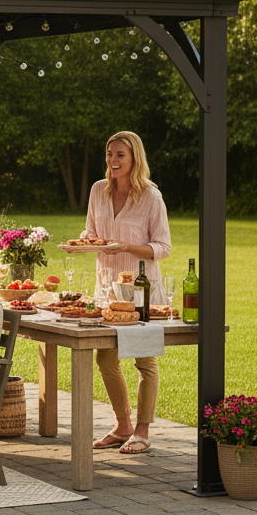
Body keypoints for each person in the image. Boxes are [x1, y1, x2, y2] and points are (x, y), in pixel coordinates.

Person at [82, 131, 171, 456]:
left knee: (144, 361)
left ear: (134, 159)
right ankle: (123, 426)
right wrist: (87, 241)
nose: (113, 161)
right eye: (109, 154)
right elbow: (90, 232)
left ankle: (143, 432)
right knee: (106, 358)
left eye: (120, 155)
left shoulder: (151, 197)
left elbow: (162, 247)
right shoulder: (97, 191)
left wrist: (126, 247)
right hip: (107, 290)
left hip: (141, 292)